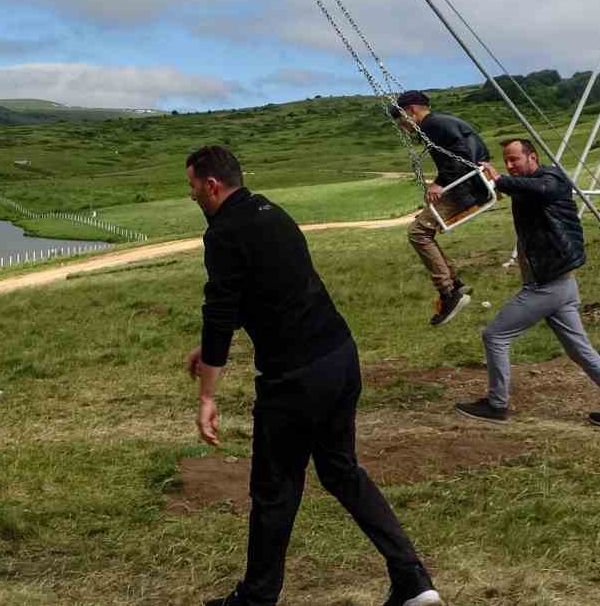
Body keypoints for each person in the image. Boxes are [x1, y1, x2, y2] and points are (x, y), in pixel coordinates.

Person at [184, 145, 441, 606]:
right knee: (341, 472)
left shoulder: (224, 232)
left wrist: (207, 396)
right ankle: (413, 580)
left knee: (274, 489)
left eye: (192, 189)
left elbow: (220, 309)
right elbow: (270, 287)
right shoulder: (270, 212)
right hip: (339, 356)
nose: (193, 198)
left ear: (211, 185)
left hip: (295, 378)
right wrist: (210, 347)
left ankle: (257, 598)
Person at [455, 138, 600, 427]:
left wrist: (502, 180)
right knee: (581, 350)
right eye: (506, 160)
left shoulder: (551, 178)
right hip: (562, 285)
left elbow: (541, 190)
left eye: (515, 159)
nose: (509, 165)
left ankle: (497, 404)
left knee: (495, 336)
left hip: (548, 286)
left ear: (533, 157)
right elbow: (501, 192)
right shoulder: (524, 186)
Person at [388, 90, 490, 327]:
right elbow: (467, 152)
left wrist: (440, 183)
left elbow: (463, 156)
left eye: (401, 122)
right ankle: (454, 284)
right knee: (423, 230)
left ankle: (449, 292)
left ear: (411, 111)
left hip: (466, 190)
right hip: (471, 185)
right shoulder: (443, 122)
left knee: (418, 233)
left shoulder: (432, 125)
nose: (403, 128)